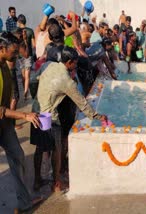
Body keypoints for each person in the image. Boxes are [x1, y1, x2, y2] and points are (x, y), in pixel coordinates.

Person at [36, 46, 108, 192]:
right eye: (75, 63)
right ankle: (56, 183)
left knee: (41, 147)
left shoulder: (48, 65)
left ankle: (37, 180)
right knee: (57, 150)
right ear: (69, 62)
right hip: (50, 116)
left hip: (37, 110)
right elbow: (81, 102)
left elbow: (36, 77)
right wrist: (96, 116)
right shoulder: (66, 81)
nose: (76, 65)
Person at [0, 31, 43, 213]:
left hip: (5, 125)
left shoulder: (5, 65)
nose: (16, 55)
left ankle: (24, 202)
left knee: (18, 156)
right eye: (13, 52)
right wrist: (23, 116)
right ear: (1, 49)